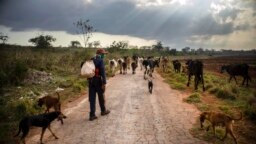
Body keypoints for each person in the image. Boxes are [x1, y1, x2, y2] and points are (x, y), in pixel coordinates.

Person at [88, 48, 110, 121]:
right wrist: (104, 83)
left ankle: (92, 115)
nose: (104, 55)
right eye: (104, 54)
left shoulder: (91, 59)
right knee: (101, 96)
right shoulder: (100, 60)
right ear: (101, 54)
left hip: (90, 81)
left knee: (92, 98)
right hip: (98, 80)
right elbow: (103, 72)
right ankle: (103, 111)